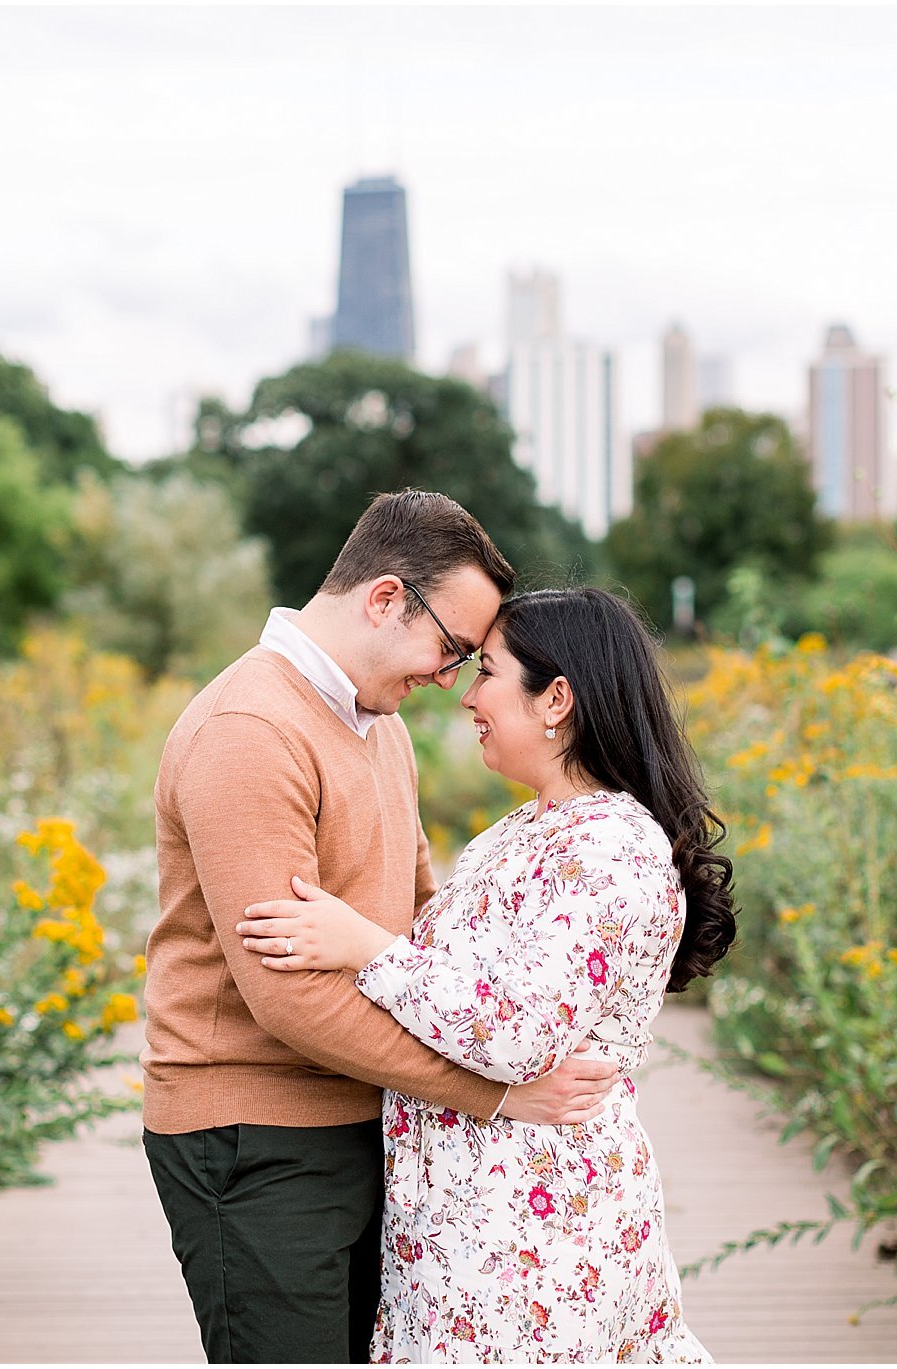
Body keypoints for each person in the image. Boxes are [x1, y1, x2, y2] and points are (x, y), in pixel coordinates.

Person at [143, 492, 628, 1365]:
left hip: (372, 1118)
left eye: (468, 661)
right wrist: (497, 1093)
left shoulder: (378, 726)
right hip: (256, 1132)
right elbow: (287, 998)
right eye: (450, 650)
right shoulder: (251, 729)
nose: (450, 681)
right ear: (383, 598)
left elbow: (419, 936)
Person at [236, 586, 738, 1362]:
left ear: (557, 699)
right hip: (473, 1232)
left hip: (537, 1240)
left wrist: (365, 946)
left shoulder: (610, 851)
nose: (466, 694)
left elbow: (517, 1033)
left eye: (489, 673)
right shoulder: (525, 832)